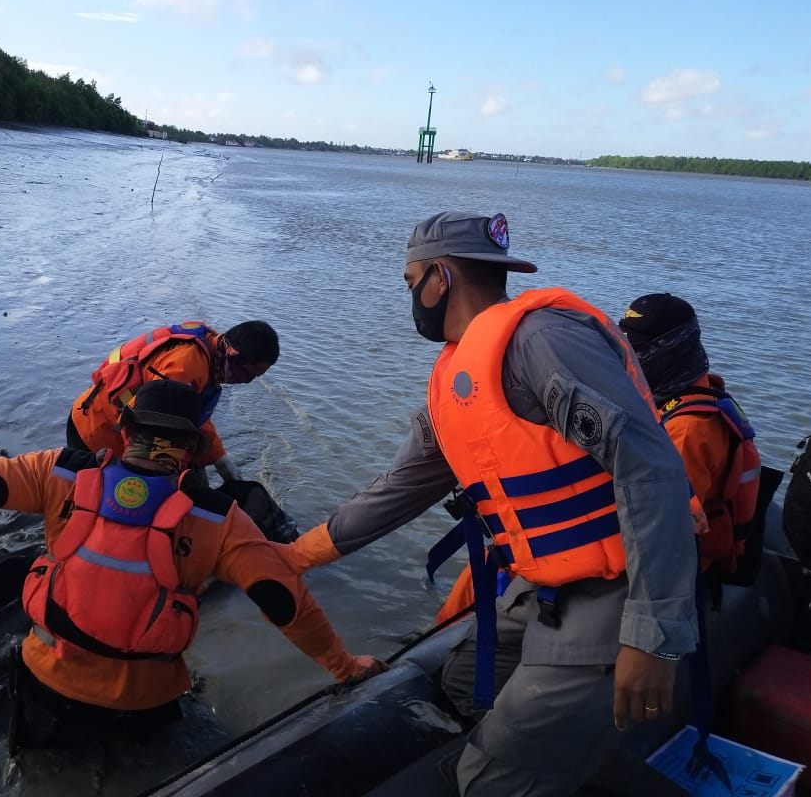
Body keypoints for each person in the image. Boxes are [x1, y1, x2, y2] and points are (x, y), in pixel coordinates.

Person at [278, 210, 698, 796]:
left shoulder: (542, 340)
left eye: (410, 281)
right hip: (538, 587)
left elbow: (650, 468)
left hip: (618, 589)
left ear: (439, 277)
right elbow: (403, 485)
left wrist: (652, 634)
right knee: (459, 684)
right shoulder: (459, 372)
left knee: (487, 780)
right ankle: (553, 758)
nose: (410, 297)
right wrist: (296, 556)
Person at [0, 378, 384, 751]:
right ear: (192, 447)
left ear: (125, 433)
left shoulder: (62, 473)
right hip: (140, 701)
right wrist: (345, 667)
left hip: (44, 683)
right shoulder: (218, 519)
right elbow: (284, 601)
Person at [618, 293, 761, 580]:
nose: (626, 357)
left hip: (684, 568)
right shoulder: (699, 390)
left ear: (670, 350)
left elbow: (663, 528)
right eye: (621, 344)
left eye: (635, 348)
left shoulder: (687, 429)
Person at [67, 320, 278, 485]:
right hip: (96, 431)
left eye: (253, 379)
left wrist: (219, 458)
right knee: (97, 504)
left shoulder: (211, 348)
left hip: (106, 417)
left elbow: (189, 415)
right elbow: (142, 423)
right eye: (247, 374)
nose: (244, 382)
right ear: (233, 355)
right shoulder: (186, 367)